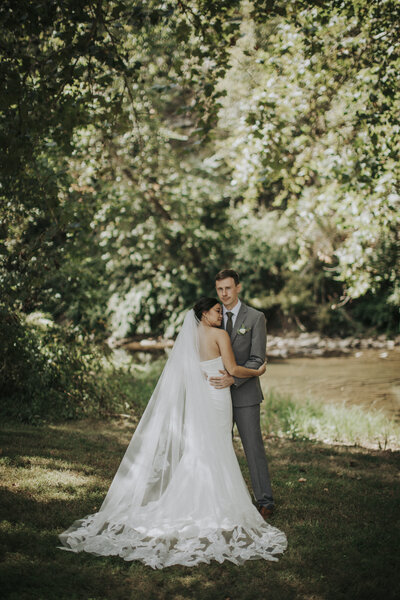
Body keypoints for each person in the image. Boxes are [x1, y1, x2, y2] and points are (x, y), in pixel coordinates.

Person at [58, 298, 287, 569]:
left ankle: (191, 500)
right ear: (204, 314)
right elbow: (234, 369)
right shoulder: (220, 334)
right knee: (218, 447)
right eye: (216, 311)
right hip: (218, 398)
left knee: (201, 447)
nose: (221, 314)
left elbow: (193, 370)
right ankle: (216, 502)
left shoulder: (191, 337)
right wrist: (259, 369)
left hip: (203, 397)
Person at [209, 269, 274, 517]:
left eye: (228, 288)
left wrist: (232, 378)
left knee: (253, 447)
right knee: (217, 447)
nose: (224, 294)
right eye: (219, 289)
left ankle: (265, 501)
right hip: (216, 396)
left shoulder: (256, 318)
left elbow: (258, 359)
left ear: (238, 287)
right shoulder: (212, 317)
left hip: (245, 396)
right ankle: (219, 498)